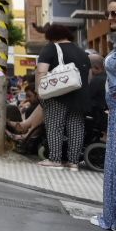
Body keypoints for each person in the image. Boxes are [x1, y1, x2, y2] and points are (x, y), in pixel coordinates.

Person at [36, 23, 91, 171]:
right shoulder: (81, 51)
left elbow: (42, 71)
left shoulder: (50, 48)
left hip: (58, 94)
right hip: (80, 94)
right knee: (76, 127)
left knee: (55, 126)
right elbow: (88, 75)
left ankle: (55, 159)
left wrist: (39, 90)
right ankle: (73, 162)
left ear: (50, 36)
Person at [93, 0, 116, 231]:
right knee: (114, 164)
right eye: (107, 12)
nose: (109, 17)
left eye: (114, 13)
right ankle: (113, 216)